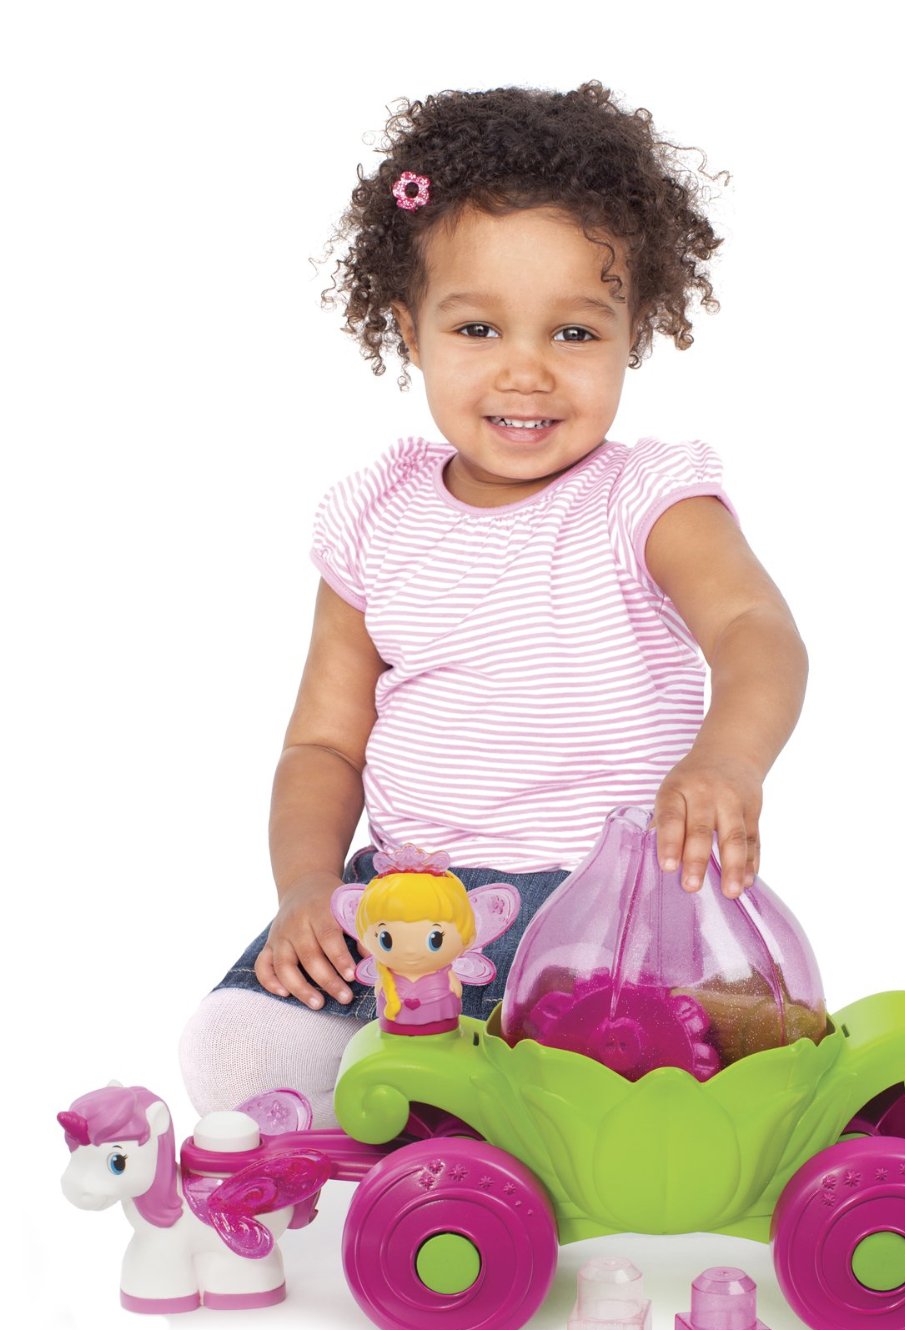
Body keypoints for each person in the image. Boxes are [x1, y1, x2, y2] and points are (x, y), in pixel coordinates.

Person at [179, 81, 809, 1126]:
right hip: (405, 903)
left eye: (573, 333)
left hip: (600, 911)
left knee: (575, 1067)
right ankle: (393, 1104)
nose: (526, 372)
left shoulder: (646, 501)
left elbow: (754, 631)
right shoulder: (374, 517)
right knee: (231, 1047)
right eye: (477, 327)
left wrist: (726, 762)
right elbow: (323, 745)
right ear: (409, 331)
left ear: (631, 332)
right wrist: (305, 893)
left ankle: (436, 1113)